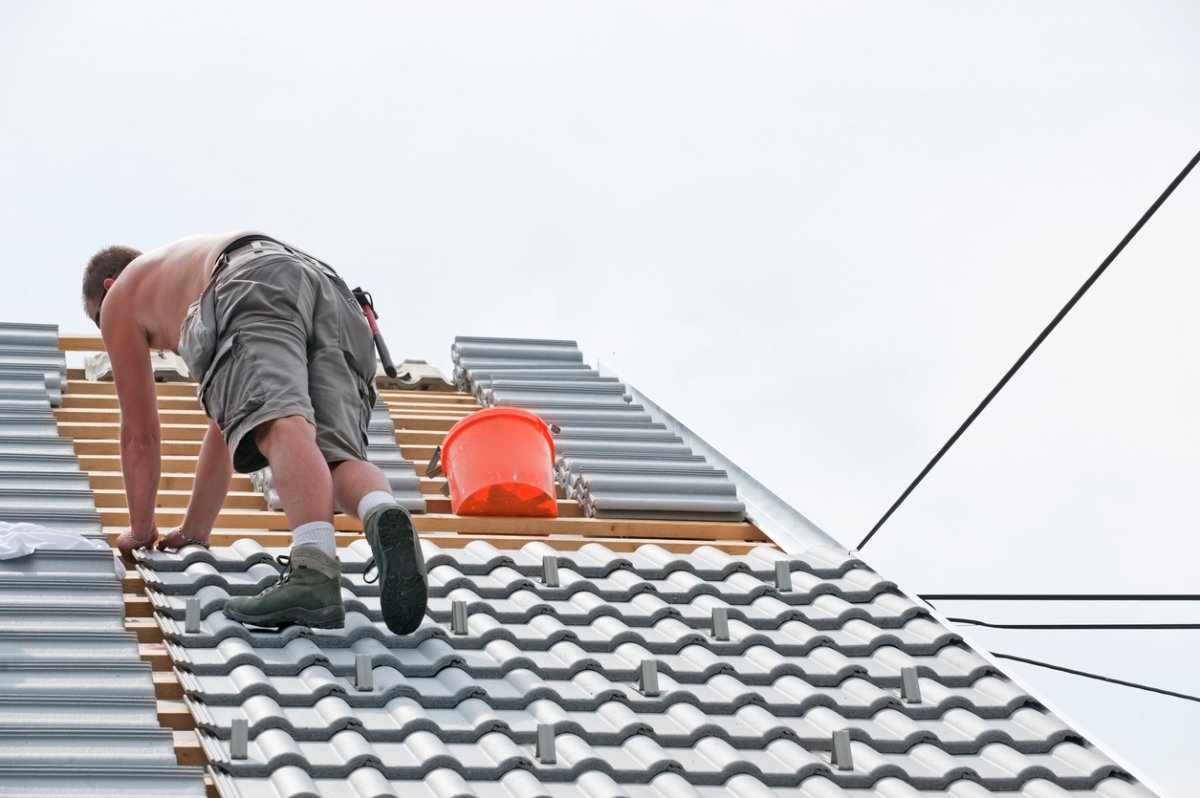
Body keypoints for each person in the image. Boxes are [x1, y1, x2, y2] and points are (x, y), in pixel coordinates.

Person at [81, 231, 427, 634]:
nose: (105, 331)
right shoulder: (182, 281)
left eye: (97, 319)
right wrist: (194, 531)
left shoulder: (123, 296)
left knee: (280, 423)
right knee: (334, 458)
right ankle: (381, 511)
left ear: (109, 286)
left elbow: (139, 436)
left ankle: (314, 572)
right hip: (333, 295)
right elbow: (225, 428)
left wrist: (141, 531)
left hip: (254, 280)